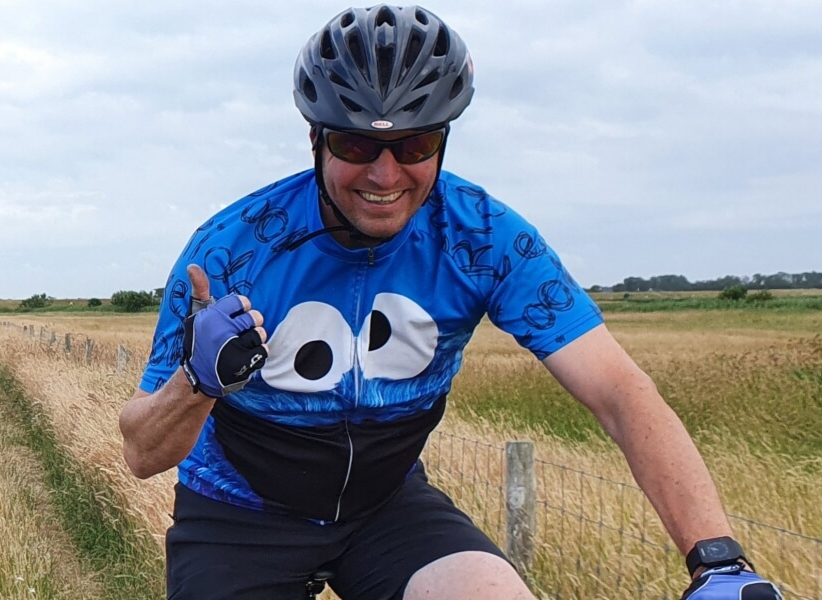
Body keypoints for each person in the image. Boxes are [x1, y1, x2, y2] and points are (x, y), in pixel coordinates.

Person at [116, 5, 784, 600]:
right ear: (314, 137)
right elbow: (143, 453)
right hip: (241, 516)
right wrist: (198, 383)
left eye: (414, 145)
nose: (385, 176)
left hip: (386, 509)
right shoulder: (232, 250)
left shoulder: (486, 238)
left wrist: (716, 561)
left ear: (443, 139)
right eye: (355, 144)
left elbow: (618, 392)